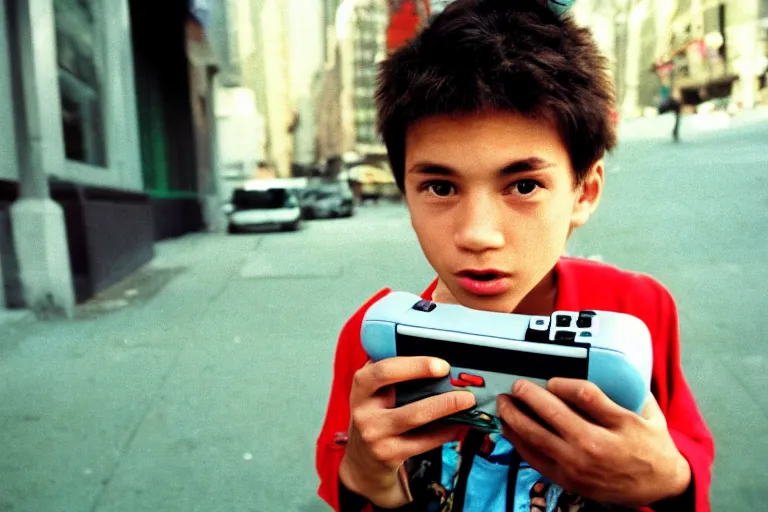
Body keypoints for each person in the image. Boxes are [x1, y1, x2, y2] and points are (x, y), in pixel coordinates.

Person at [315, 1, 715, 511]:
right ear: (405, 194)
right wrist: (367, 480)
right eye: (439, 187)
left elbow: (687, 455)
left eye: (524, 185)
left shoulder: (636, 308)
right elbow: (343, 471)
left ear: (584, 192)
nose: (479, 235)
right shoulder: (373, 338)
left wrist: (669, 480)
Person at [655, 58, 683, 142]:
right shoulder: (663, 78)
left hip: (670, 101)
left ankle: (675, 131)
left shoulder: (671, 79)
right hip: (664, 104)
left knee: (678, 108)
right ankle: (674, 131)